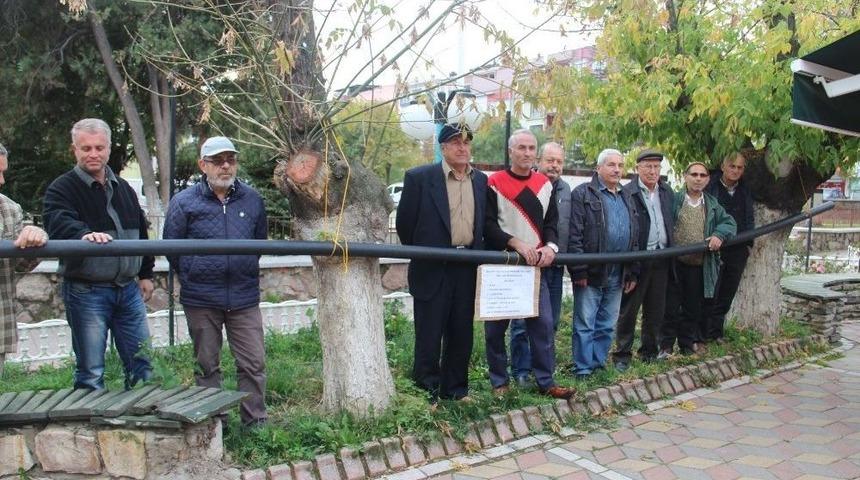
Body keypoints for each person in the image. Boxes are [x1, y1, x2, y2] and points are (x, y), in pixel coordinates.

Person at [163, 136, 268, 425]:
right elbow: (172, 248)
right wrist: (196, 273)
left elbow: (259, 242)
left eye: (230, 159)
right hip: (201, 298)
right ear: (203, 165)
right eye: (217, 160)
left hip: (244, 297)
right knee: (207, 365)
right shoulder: (184, 203)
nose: (225, 166)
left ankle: (255, 424)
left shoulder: (252, 199)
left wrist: (241, 269)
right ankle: (213, 425)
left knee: (253, 364)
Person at [43, 119, 154, 390]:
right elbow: (57, 221)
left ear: (108, 150)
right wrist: (83, 234)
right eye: (86, 148)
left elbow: (141, 232)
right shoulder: (62, 188)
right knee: (91, 371)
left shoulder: (124, 187)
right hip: (87, 290)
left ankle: (143, 426)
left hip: (128, 290)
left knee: (143, 366)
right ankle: (88, 431)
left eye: (99, 148)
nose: (93, 154)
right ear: (75, 150)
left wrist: (146, 274)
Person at [395, 123, 487, 402]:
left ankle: (456, 390)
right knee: (429, 334)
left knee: (462, 333)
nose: (463, 148)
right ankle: (427, 392)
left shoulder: (481, 180)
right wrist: (428, 250)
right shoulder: (419, 177)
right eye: (456, 142)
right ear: (443, 147)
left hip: (466, 266)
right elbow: (405, 224)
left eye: (467, 143)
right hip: (432, 267)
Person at [484, 129, 574, 399]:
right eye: (521, 147)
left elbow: (552, 224)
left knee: (543, 325)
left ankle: (546, 382)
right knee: (496, 328)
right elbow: (487, 225)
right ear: (510, 151)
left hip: (535, 269)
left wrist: (551, 247)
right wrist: (516, 243)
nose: (526, 153)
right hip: (503, 266)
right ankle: (500, 382)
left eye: (531, 148)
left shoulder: (544, 184)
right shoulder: (494, 182)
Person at [568, 148, 639, 378]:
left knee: (607, 324)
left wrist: (632, 273)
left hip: (618, 272)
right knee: (585, 323)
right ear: (598, 168)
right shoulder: (582, 194)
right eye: (611, 164)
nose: (617, 169)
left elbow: (635, 235)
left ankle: (598, 365)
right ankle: (583, 369)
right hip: (591, 272)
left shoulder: (627, 195)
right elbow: (575, 235)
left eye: (620, 165)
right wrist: (578, 270)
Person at [509, 142, 571, 387]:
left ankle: (543, 371)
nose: (554, 165)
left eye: (559, 161)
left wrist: (555, 249)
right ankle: (521, 371)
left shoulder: (566, 190)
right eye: (550, 160)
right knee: (522, 322)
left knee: (549, 322)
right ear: (539, 161)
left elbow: (560, 226)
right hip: (526, 265)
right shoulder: (529, 185)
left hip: (554, 265)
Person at [659, 162, 736, 357]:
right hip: (674, 264)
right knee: (670, 308)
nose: (698, 178)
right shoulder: (674, 200)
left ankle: (686, 345)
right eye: (694, 174)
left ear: (708, 179)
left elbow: (730, 223)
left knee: (692, 308)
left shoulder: (711, 204)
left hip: (699, 265)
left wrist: (719, 233)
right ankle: (665, 347)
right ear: (685, 177)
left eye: (702, 175)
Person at [612, 149, 674, 371]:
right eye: (648, 166)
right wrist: (630, 267)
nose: (653, 171)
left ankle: (649, 351)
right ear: (637, 168)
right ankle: (622, 354)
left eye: (657, 166)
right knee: (629, 310)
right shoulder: (628, 193)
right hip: (639, 259)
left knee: (656, 310)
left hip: (662, 257)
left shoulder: (666, 192)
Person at [0, 143, 49, 377]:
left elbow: (20, 265)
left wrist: (36, 239)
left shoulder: (8, 209)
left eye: (3, 172)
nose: (1, 181)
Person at [704, 152, 754, 343]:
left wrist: (749, 243)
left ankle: (716, 333)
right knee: (711, 292)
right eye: (732, 166)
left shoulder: (745, 189)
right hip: (715, 247)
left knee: (727, 292)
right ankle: (703, 334)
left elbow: (749, 216)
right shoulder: (711, 186)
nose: (735, 171)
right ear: (723, 166)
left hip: (738, 249)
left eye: (740, 167)